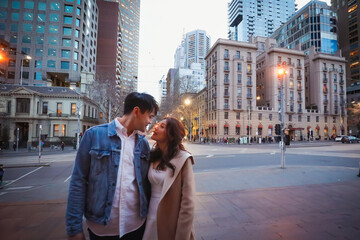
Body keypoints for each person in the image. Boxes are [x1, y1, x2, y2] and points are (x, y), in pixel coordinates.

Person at [66, 92, 158, 240]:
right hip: (101, 229)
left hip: (135, 226)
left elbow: (146, 185)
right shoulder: (93, 135)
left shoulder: (143, 144)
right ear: (136, 111)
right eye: (150, 116)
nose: (149, 122)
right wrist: (74, 228)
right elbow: (78, 181)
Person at [143, 117, 196, 240]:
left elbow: (188, 203)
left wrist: (182, 235)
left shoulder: (183, 159)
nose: (156, 127)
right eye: (157, 125)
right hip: (149, 216)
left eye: (162, 127)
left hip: (170, 220)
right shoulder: (152, 156)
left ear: (171, 135)